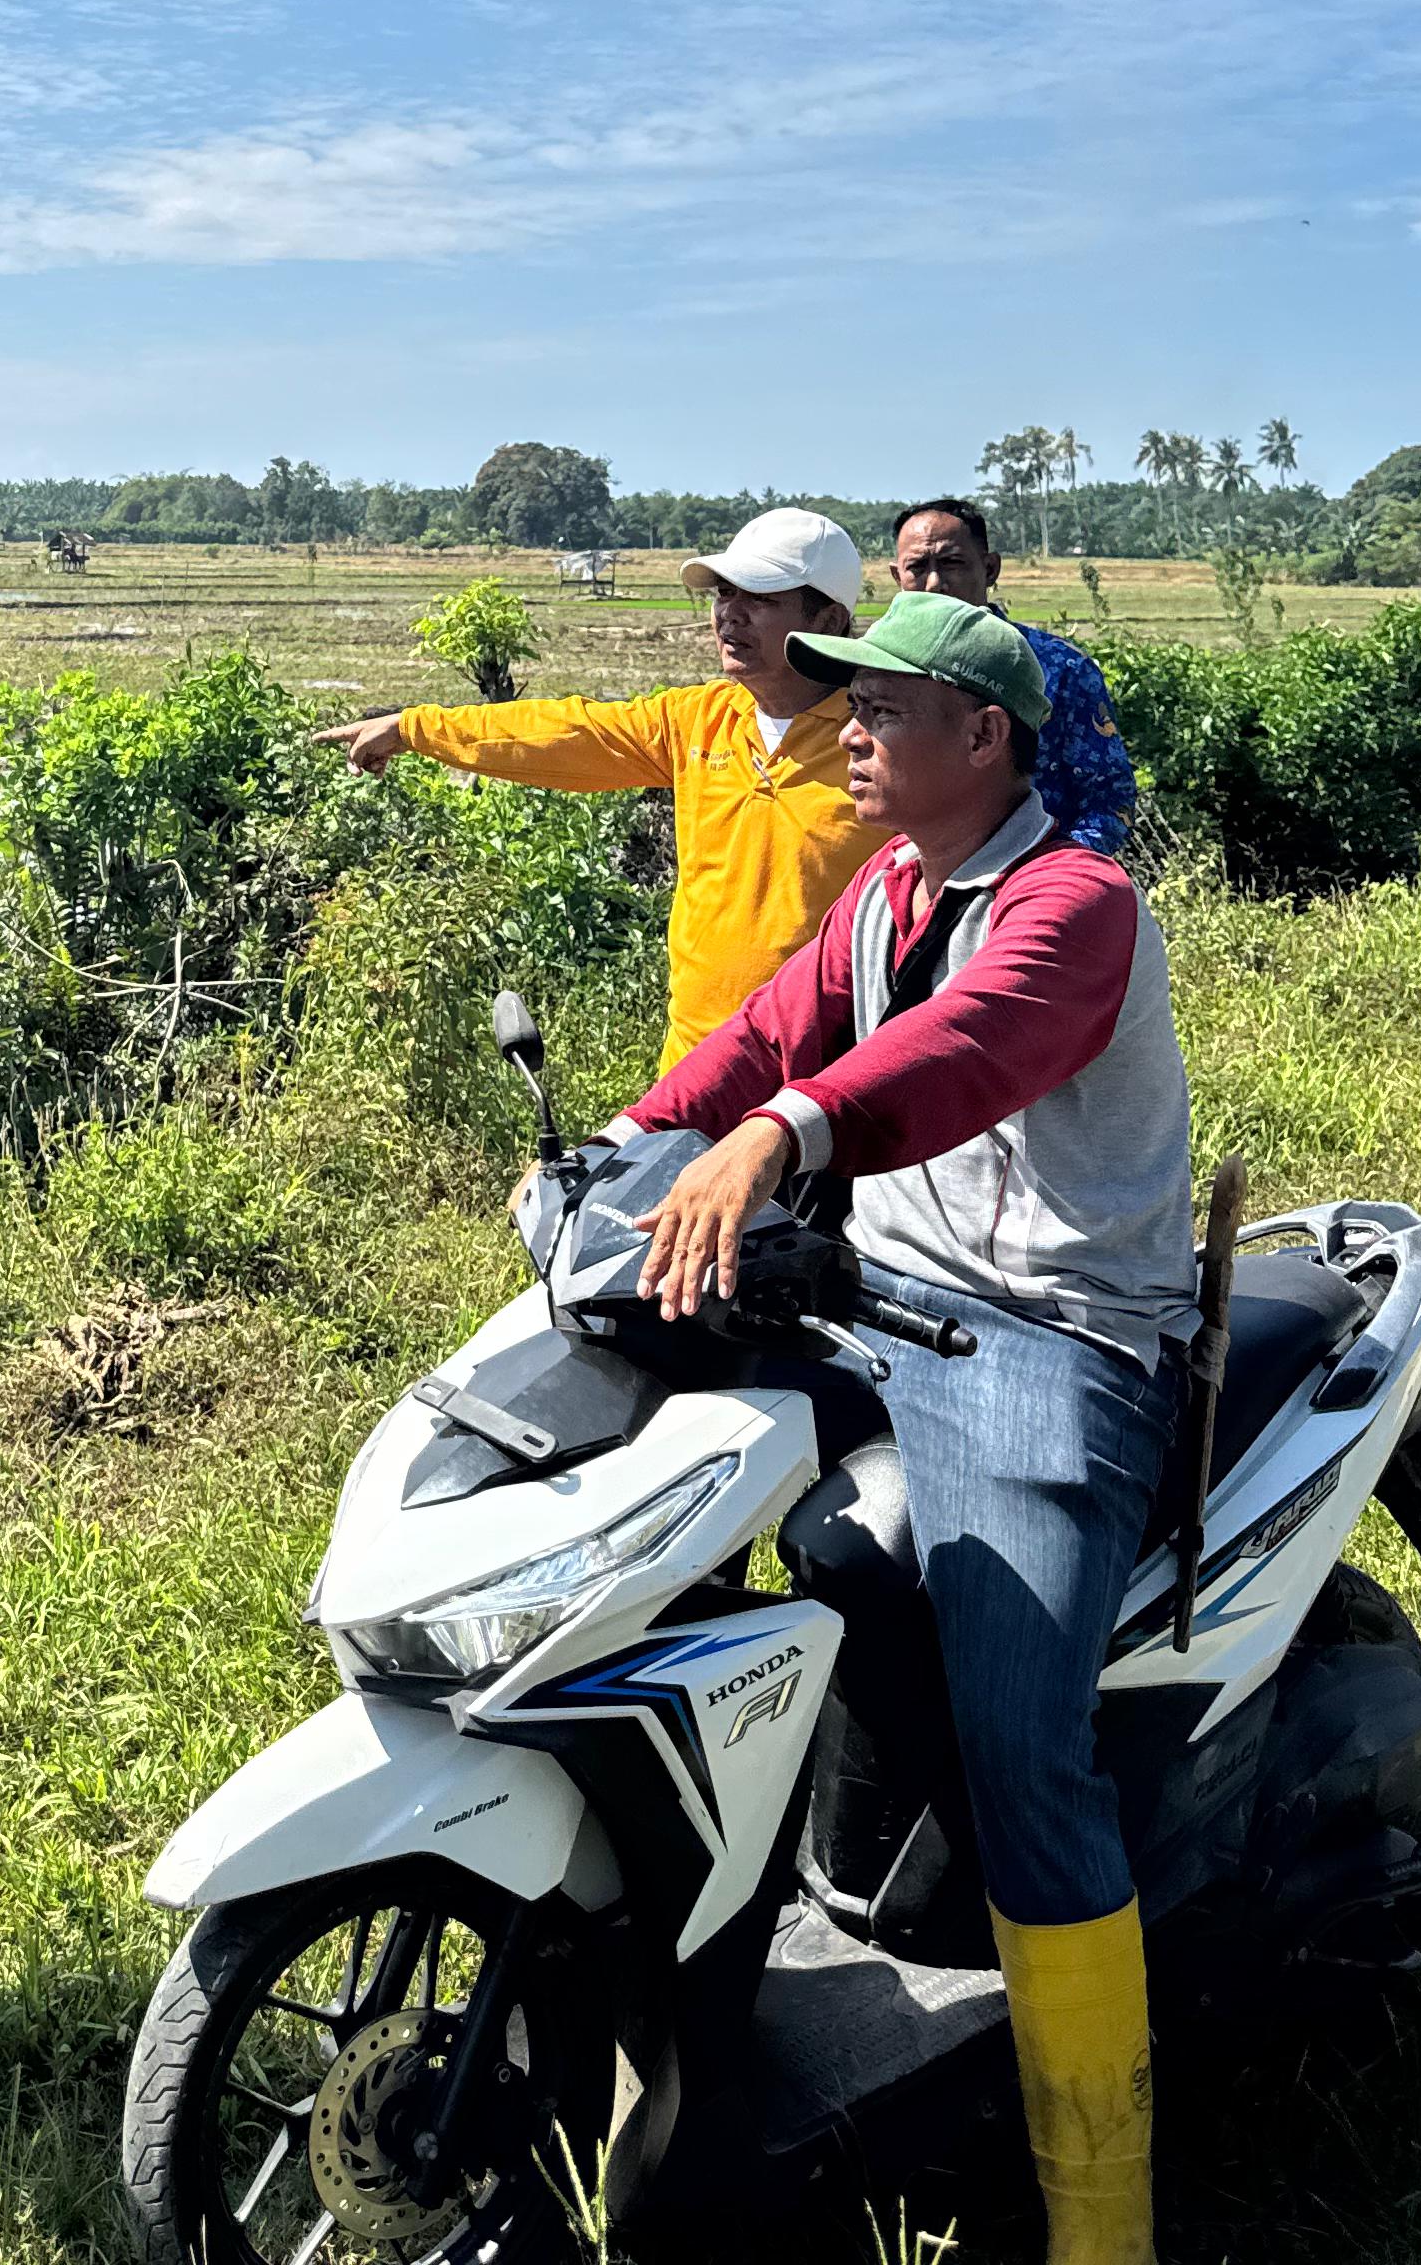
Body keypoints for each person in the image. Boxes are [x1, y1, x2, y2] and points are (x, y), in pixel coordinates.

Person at [624, 592, 1192, 2265]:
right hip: (871, 1291)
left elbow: (959, 1052)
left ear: (981, 736)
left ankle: (1101, 2216)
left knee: (1026, 1748)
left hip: (1048, 1331)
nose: (847, 722)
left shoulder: (1073, 902)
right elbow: (769, 1033)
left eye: (884, 701)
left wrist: (784, 1133)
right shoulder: (883, 887)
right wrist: (632, 1135)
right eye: (844, 695)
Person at [320, 507, 890, 1071]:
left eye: (760, 598)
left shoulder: (884, 743)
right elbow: (568, 731)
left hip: (828, 1075)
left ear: (830, 619)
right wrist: (414, 728)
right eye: (722, 594)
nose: (729, 616)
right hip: (697, 1064)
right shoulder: (700, 720)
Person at [886, 497, 1135, 856]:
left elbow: (1111, 800)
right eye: (918, 567)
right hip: (921, 887)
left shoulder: (1060, 668)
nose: (935, 583)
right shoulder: (885, 673)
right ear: (898, 577)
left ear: (989, 569)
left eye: (952, 563)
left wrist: (1053, 871)